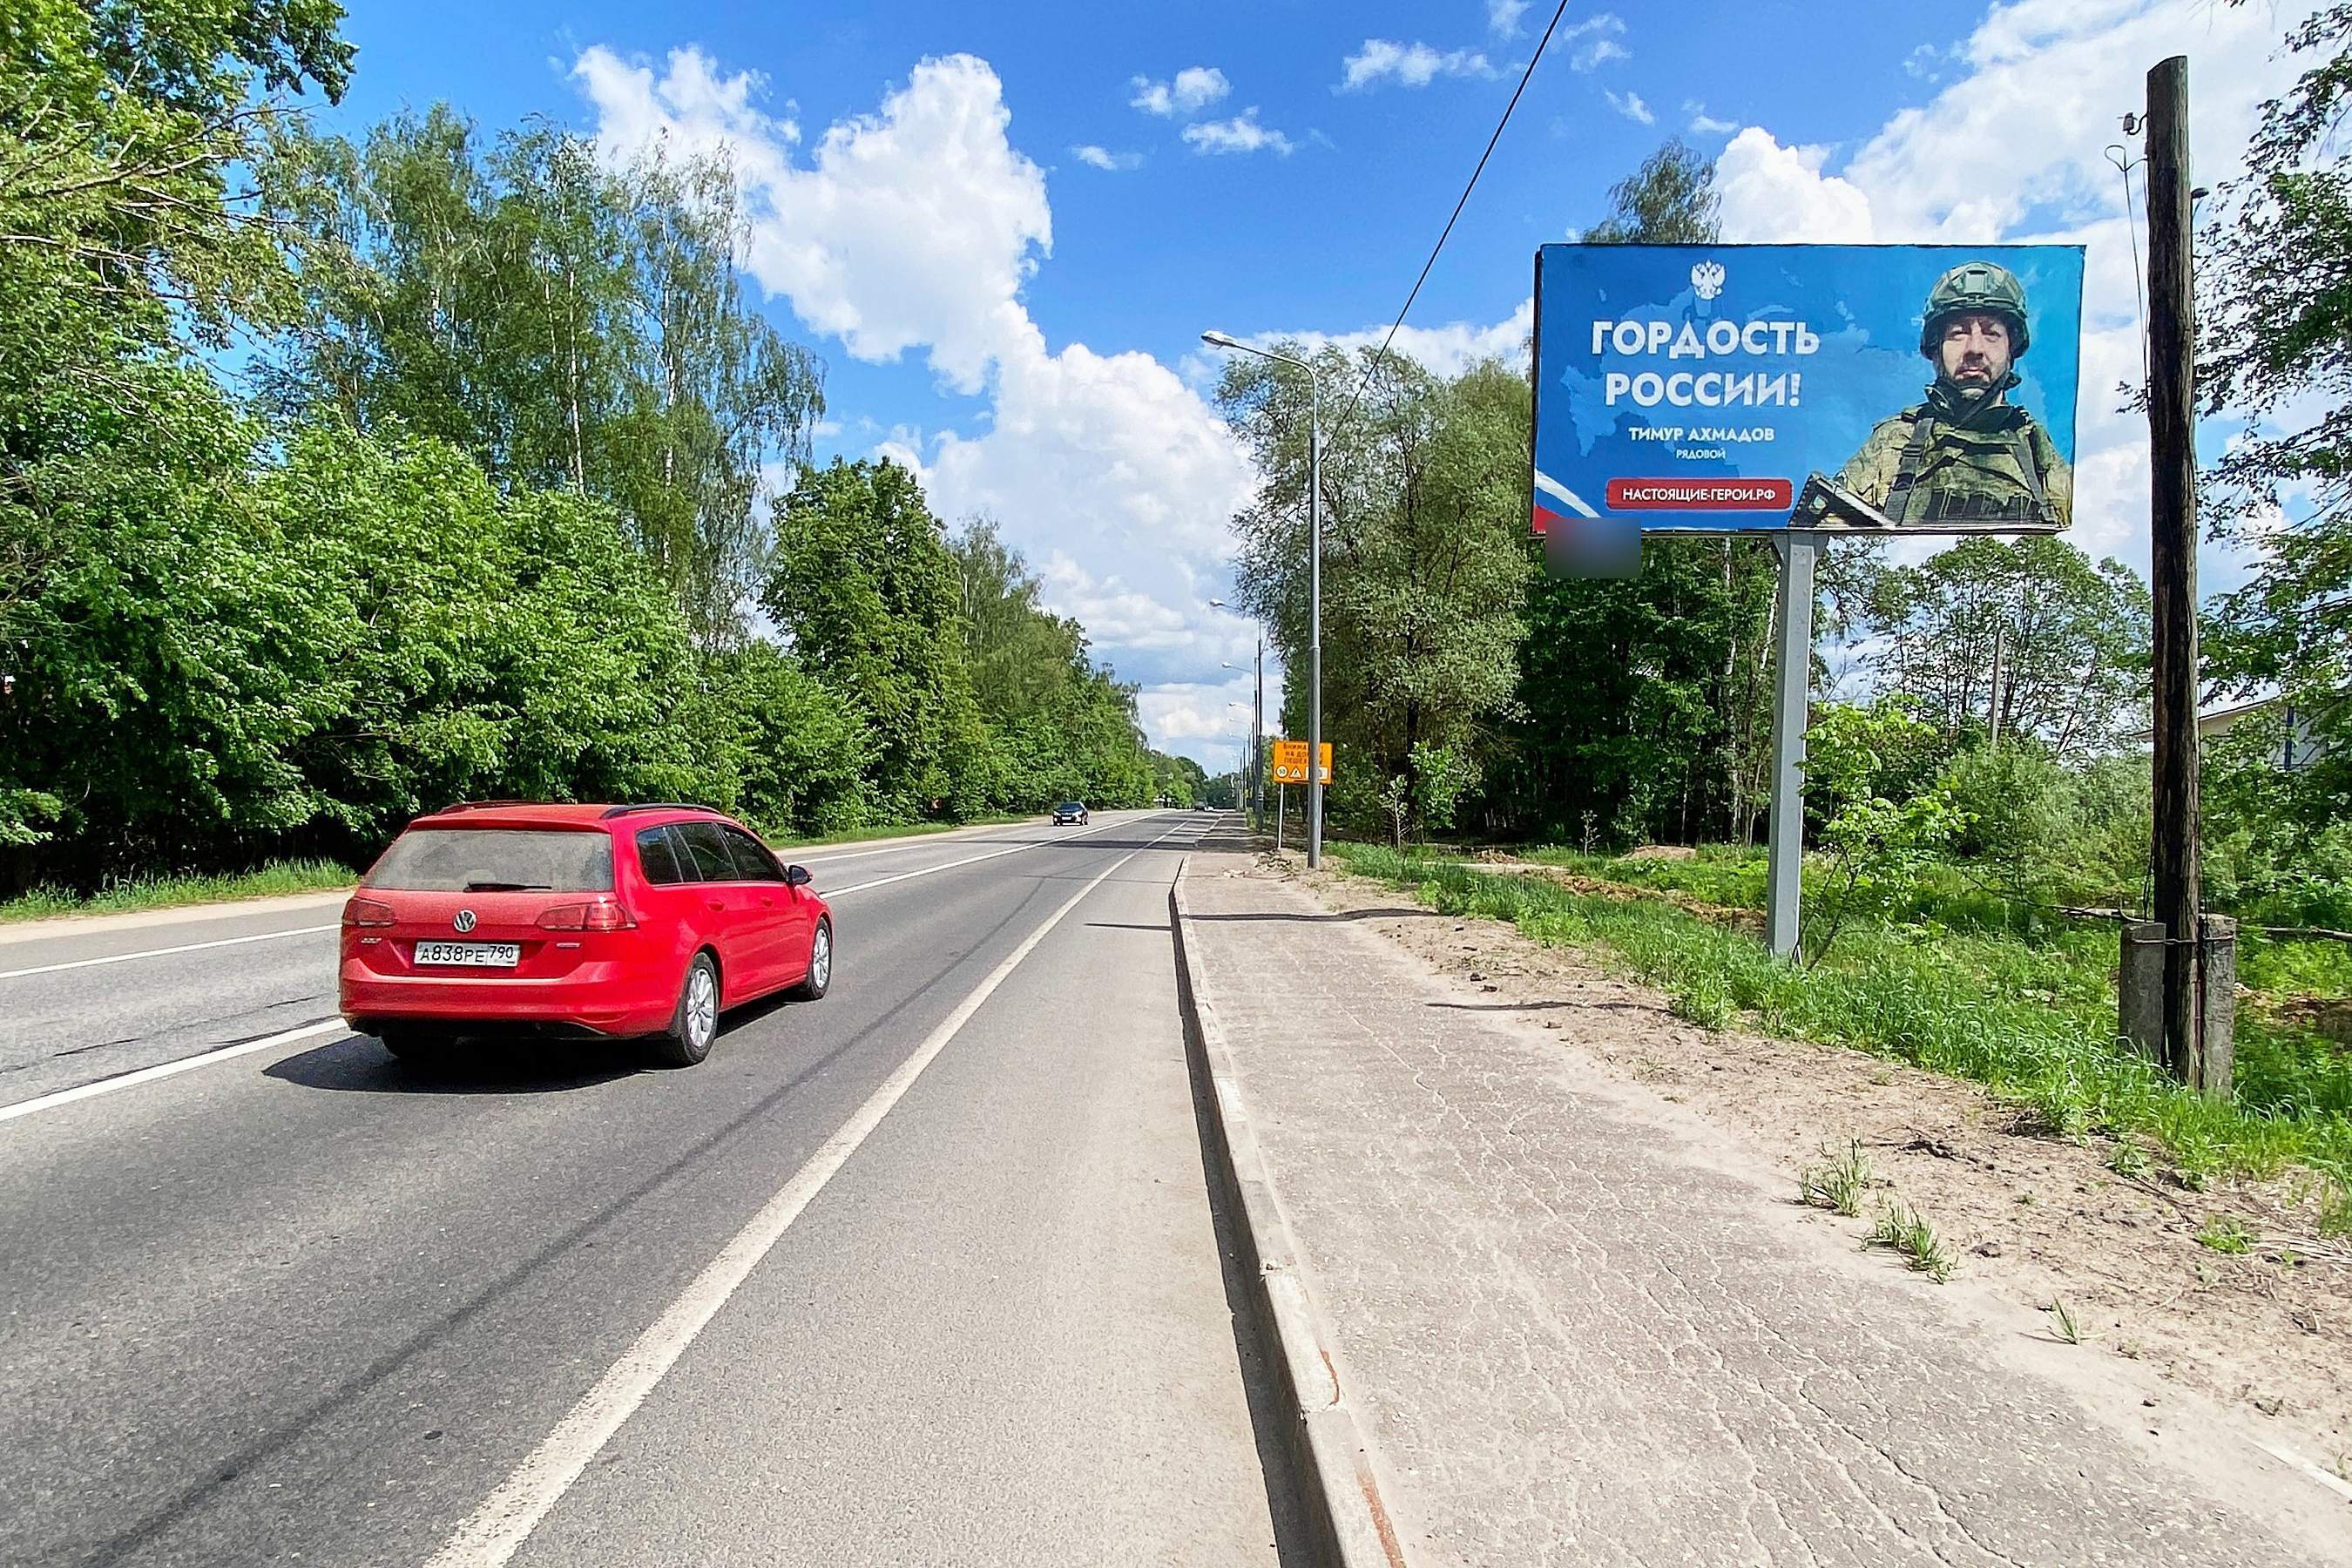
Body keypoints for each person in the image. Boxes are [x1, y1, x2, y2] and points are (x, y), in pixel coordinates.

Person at [1831, 261, 2072, 528]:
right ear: (1935, 349)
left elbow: (2077, 539)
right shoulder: (1896, 441)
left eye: (1992, 334)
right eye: (1958, 334)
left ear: (2011, 350)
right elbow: (1829, 537)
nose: (1975, 349)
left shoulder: (2035, 448)